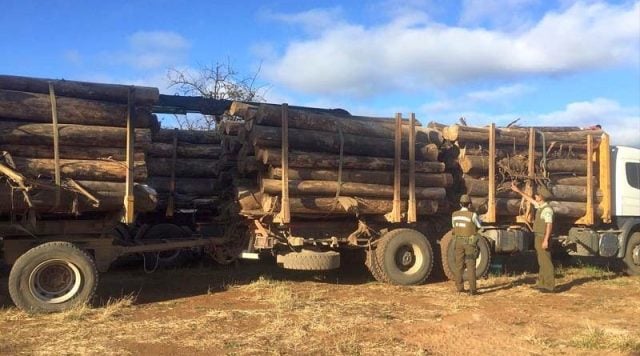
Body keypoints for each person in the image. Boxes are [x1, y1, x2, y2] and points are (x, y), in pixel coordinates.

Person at [511, 182, 555, 293]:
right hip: (538, 236)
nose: (535, 196)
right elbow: (530, 199)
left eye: (537, 195)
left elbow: (549, 225)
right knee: (541, 261)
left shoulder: (547, 210)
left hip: (543, 237)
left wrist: (545, 240)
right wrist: (518, 191)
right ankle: (542, 283)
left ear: (541, 197)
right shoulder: (540, 206)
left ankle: (550, 286)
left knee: (546, 262)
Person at [452, 194, 482, 295]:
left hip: (458, 242)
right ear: (469, 205)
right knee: (470, 265)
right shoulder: (472, 215)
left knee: (459, 265)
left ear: (460, 204)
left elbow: (454, 227)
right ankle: (473, 290)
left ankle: (459, 287)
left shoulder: (454, 214)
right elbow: (479, 226)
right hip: (469, 243)